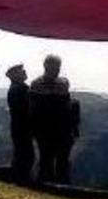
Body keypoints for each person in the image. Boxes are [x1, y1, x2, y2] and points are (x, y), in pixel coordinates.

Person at [30, 55, 76, 184]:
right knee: (47, 159)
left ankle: (60, 185)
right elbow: (34, 111)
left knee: (61, 160)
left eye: (58, 67)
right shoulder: (37, 85)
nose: (57, 69)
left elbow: (67, 108)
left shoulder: (61, 83)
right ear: (46, 66)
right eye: (55, 66)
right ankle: (48, 185)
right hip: (46, 130)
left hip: (60, 130)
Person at [5, 64, 34, 183]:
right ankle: (21, 179)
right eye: (21, 71)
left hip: (19, 127)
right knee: (25, 154)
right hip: (22, 127)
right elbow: (25, 109)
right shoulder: (19, 89)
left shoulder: (17, 88)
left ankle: (20, 177)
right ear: (14, 75)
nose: (24, 71)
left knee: (22, 153)